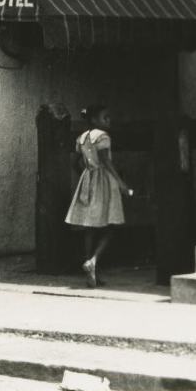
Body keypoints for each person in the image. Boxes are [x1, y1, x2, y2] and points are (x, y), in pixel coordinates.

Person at [64, 104, 133, 287]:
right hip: (103, 181)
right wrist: (121, 183)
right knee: (111, 223)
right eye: (105, 117)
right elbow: (106, 162)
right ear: (94, 119)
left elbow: (74, 163)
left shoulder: (83, 137)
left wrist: (86, 177)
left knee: (90, 227)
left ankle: (91, 269)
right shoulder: (103, 137)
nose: (109, 120)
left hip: (88, 179)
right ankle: (93, 261)